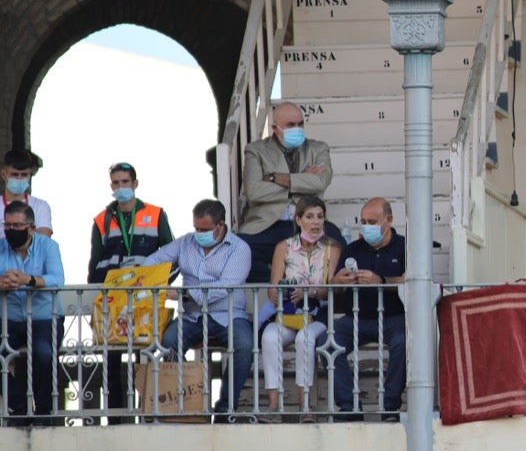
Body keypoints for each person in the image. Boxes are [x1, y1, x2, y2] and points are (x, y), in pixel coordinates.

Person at [146, 199, 254, 418]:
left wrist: (184, 294)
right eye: (196, 228)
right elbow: (154, 261)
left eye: (204, 230)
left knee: (244, 346)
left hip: (229, 314)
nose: (199, 234)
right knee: (168, 342)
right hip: (192, 316)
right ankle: (187, 403)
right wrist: (153, 276)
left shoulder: (240, 249)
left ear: (220, 226)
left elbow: (226, 286)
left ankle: (226, 408)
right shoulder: (186, 242)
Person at [88, 162, 175, 412]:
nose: (121, 187)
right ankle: (115, 416)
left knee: (145, 357)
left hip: (145, 298)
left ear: (135, 184)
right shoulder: (102, 219)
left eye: (125, 182)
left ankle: (146, 413)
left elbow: (171, 255)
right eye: (116, 183)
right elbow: (94, 263)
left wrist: (162, 285)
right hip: (114, 298)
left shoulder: (156, 214)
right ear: (111, 186)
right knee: (112, 359)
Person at [259, 195, 339, 419]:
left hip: (317, 315)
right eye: (310, 217)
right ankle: (275, 405)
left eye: (320, 217)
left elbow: (333, 288)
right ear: (298, 220)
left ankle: (305, 405)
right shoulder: (284, 247)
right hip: (288, 314)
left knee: (305, 338)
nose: (315, 222)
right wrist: (279, 291)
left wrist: (310, 292)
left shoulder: (332, 248)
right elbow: (272, 288)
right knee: (269, 336)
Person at [237, 102, 335, 283]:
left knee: (339, 245)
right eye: (291, 125)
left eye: (300, 124)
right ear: (275, 127)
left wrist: (275, 178)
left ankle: (314, 296)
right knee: (238, 250)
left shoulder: (318, 148)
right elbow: (254, 191)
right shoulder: (256, 150)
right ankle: (283, 284)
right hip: (268, 224)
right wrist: (302, 180)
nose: (297, 129)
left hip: (308, 223)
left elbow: (320, 182)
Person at [329, 196, 407, 419]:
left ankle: (390, 406)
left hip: (394, 318)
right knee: (328, 341)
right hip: (357, 318)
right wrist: (339, 282)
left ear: (389, 220)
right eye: (363, 221)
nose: (366, 227)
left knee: (404, 343)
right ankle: (350, 406)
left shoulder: (403, 247)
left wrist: (380, 281)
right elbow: (334, 285)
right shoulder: (354, 249)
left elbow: (411, 281)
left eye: (372, 222)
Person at [0, 201, 63, 424]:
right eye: (7, 225)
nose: (12, 230)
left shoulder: (48, 246)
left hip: (44, 318)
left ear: (31, 228)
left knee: (44, 353)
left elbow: (58, 279)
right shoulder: (0, 246)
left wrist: (29, 280)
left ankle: (44, 412)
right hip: (10, 319)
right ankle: (19, 405)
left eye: (18, 226)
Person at [2, 148, 53, 237]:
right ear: (3, 174)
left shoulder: (41, 206)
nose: (19, 178)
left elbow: (43, 242)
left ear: (30, 175)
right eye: (14, 174)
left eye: (24, 174)